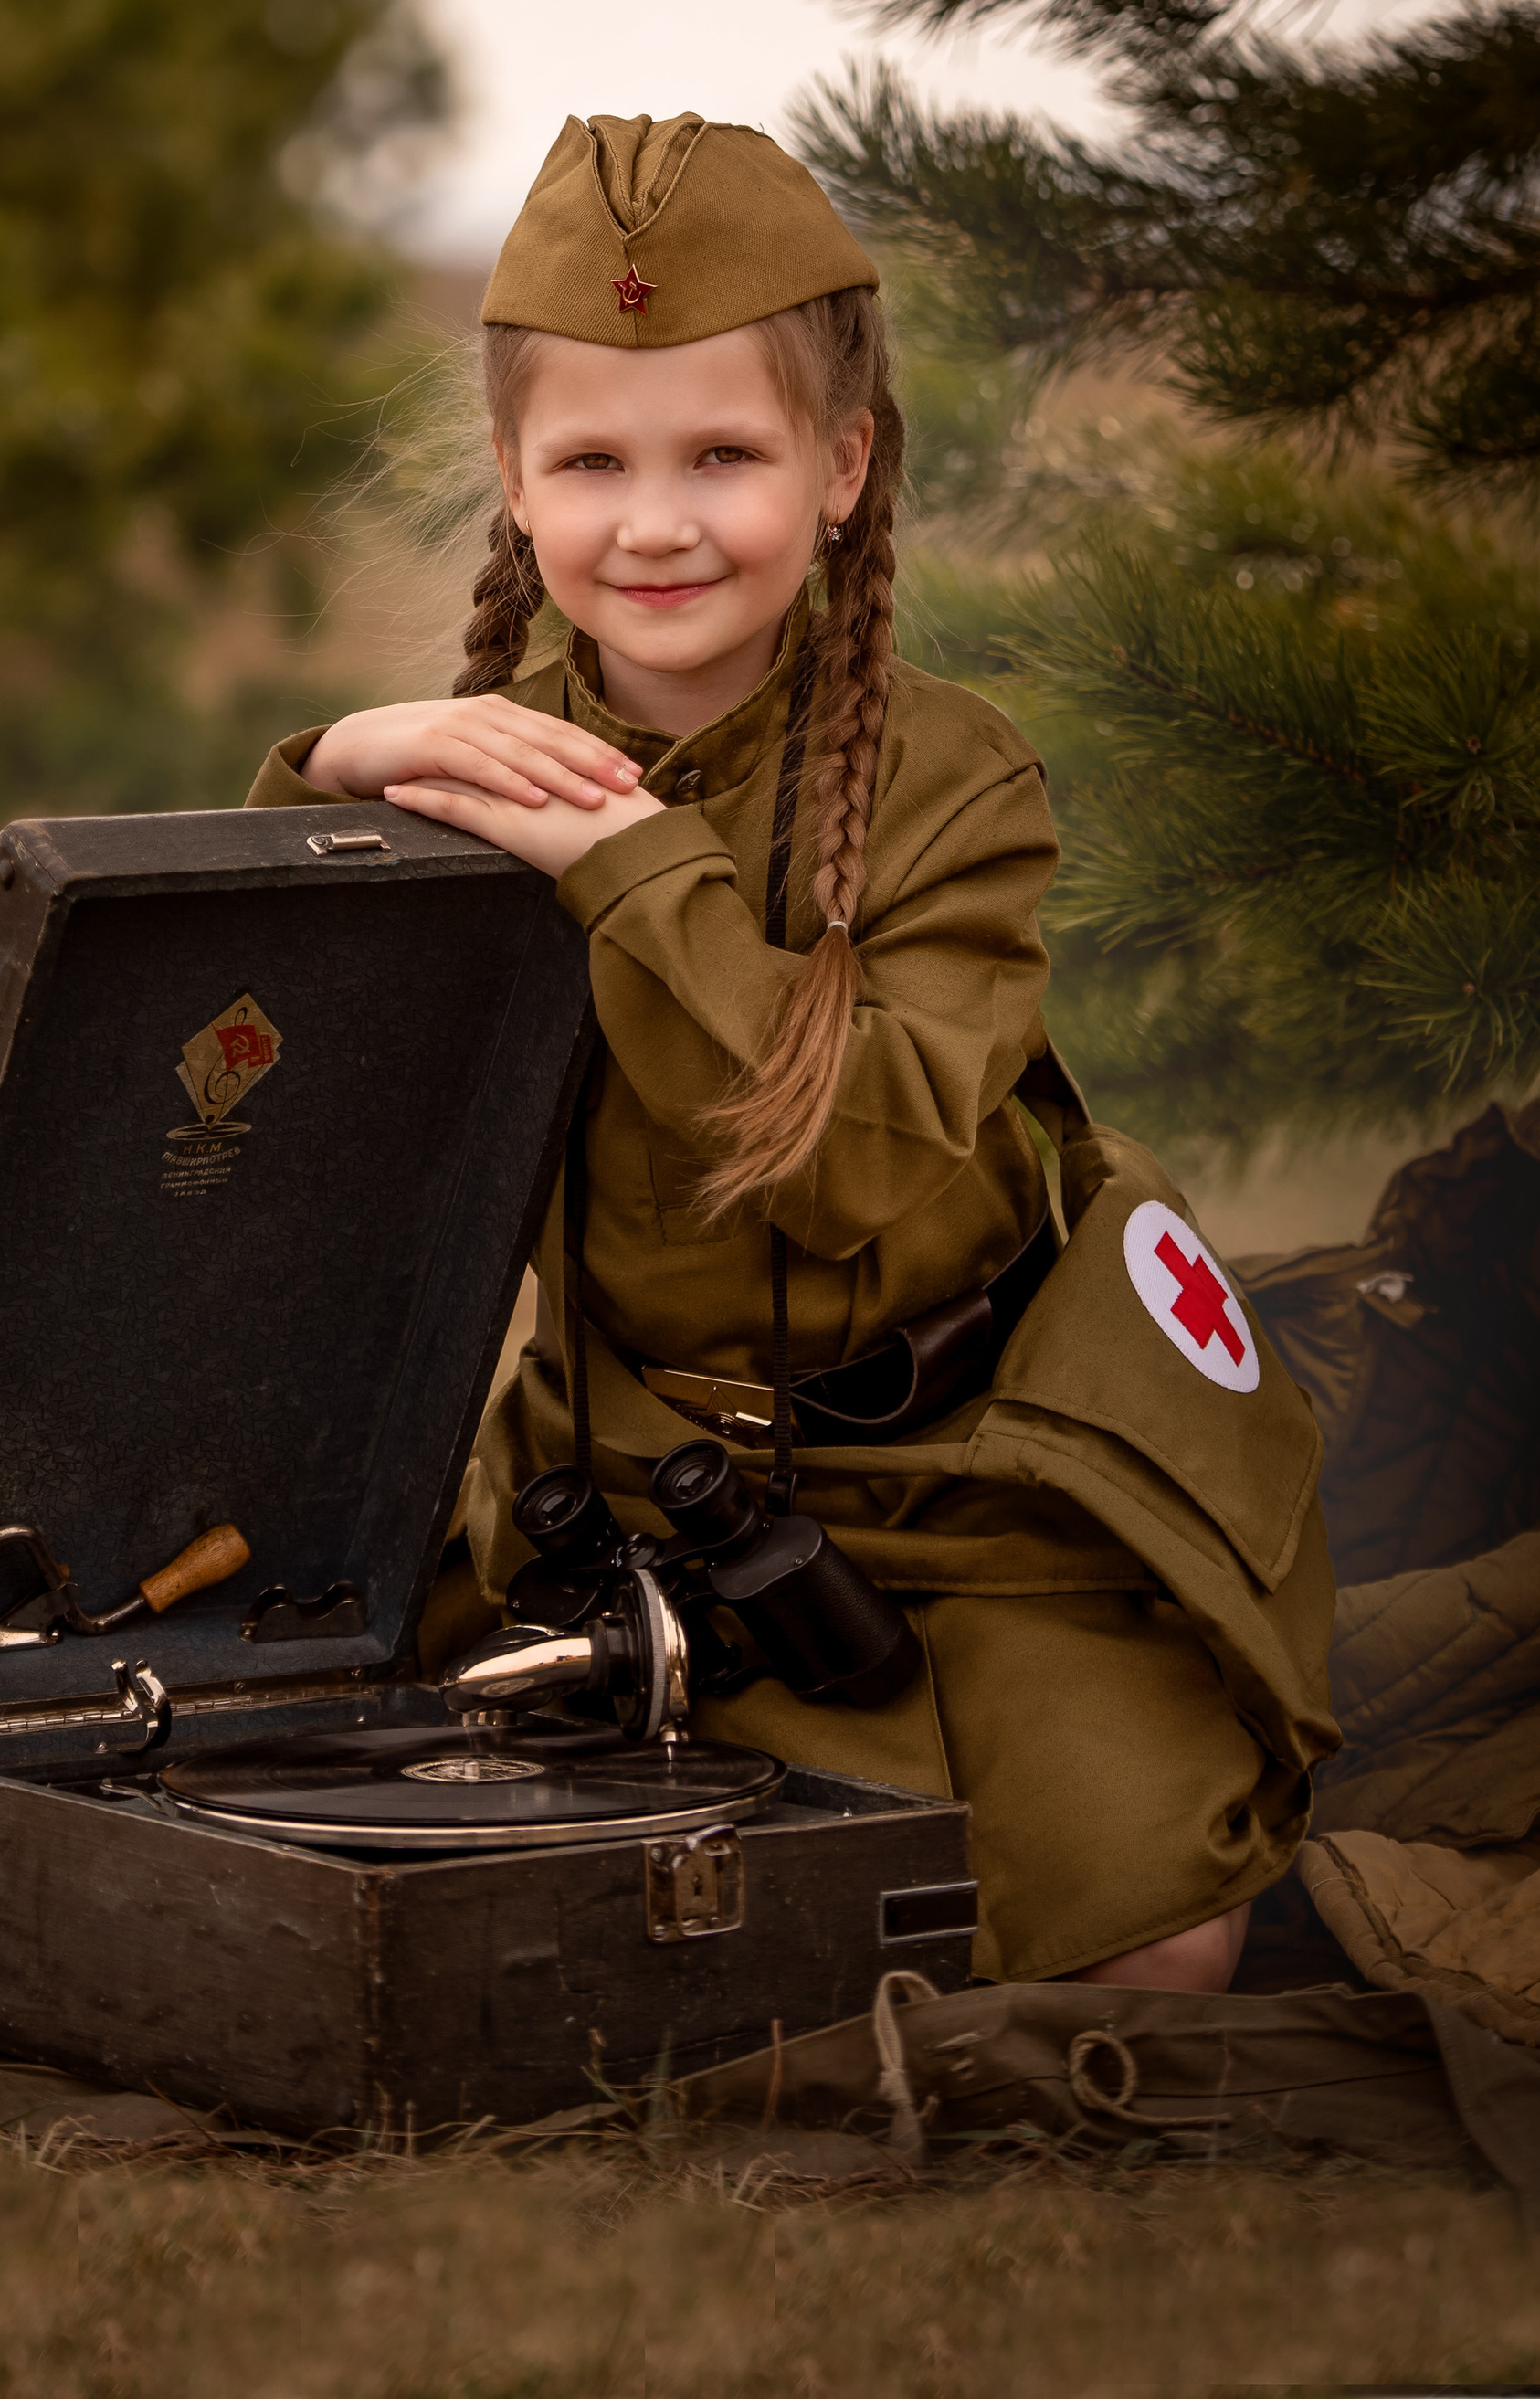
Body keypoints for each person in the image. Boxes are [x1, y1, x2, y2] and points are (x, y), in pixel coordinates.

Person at [247, 111, 1335, 1988]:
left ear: (837, 468)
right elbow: (256, 1100)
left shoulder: (951, 784)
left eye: (722, 456)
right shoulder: (459, 775)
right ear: (513, 478)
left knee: (1154, 1954)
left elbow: (846, 1171)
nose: (653, 522)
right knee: (397, 1883)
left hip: (953, 1490)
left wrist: (626, 866)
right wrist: (323, 773)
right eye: (590, 458)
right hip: (610, 1490)